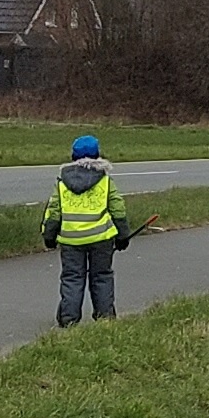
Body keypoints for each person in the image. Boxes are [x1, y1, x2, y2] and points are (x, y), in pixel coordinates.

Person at [43, 133, 130, 323]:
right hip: (101, 239)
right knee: (102, 277)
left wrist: (49, 235)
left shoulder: (62, 182)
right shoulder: (105, 180)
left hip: (71, 240)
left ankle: (69, 319)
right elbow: (117, 206)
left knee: (72, 278)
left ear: (73, 156)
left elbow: (54, 210)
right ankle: (105, 317)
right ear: (98, 155)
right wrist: (123, 234)